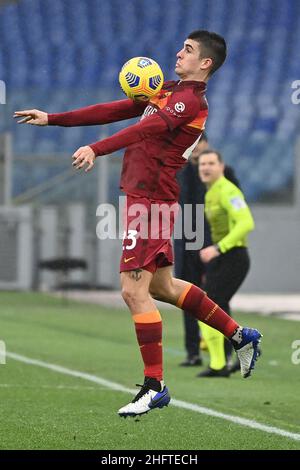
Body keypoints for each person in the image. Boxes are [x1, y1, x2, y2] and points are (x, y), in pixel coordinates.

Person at [14, 30, 262, 418]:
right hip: (143, 199)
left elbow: (145, 129)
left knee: (133, 291)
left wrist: (97, 148)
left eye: (189, 50)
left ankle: (154, 385)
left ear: (206, 63)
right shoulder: (166, 88)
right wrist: (53, 120)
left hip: (151, 202)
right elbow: (115, 109)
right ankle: (240, 335)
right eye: (181, 46)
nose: (179, 53)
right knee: (162, 287)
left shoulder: (188, 101)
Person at [197, 149, 255, 377]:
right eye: (202, 164)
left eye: (211, 163)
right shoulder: (210, 193)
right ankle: (227, 360)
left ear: (221, 166)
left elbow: (246, 222)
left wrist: (218, 248)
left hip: (235, 256)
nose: (206, 168)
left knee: (207, 306)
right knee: (218, 307)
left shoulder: (228, 191)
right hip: (222, 258)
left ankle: (221, 363)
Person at [175, 132, 209, 367]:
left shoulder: (218, 174)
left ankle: (225, 351)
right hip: (185, 242)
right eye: (193, 148)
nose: (196, 152)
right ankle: (192, 352)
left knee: (215, 297)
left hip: (209, 244)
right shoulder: (181, 171)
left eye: (200, 148)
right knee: (187, 299)